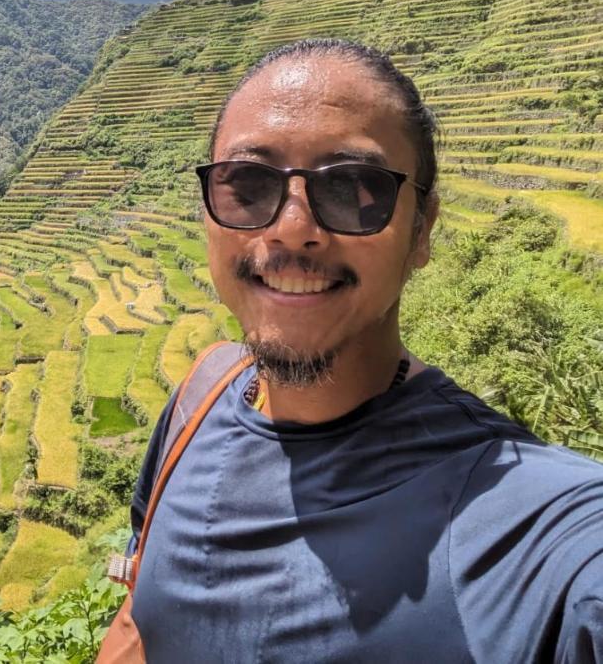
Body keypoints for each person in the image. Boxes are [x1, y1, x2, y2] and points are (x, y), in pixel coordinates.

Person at [117, 38, 603, 662]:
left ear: (422, 230)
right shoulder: (199, 399)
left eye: (353, 189)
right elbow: (138, 617)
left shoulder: (531, 525)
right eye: (248, 184)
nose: (292, 228)